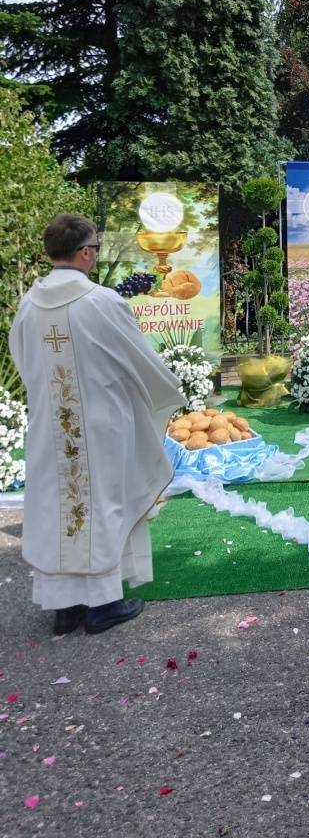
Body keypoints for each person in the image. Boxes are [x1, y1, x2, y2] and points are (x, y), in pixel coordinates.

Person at [9, 214, 186, 636]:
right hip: (101, 427)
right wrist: (165, 393)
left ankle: (63, 608)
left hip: (51, 429)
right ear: (86, 252)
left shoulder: (28, 303)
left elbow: (22, 358)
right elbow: (142, 362)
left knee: (59, 506)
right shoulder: (101, 302)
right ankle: (103, 604)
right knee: (103, 503)